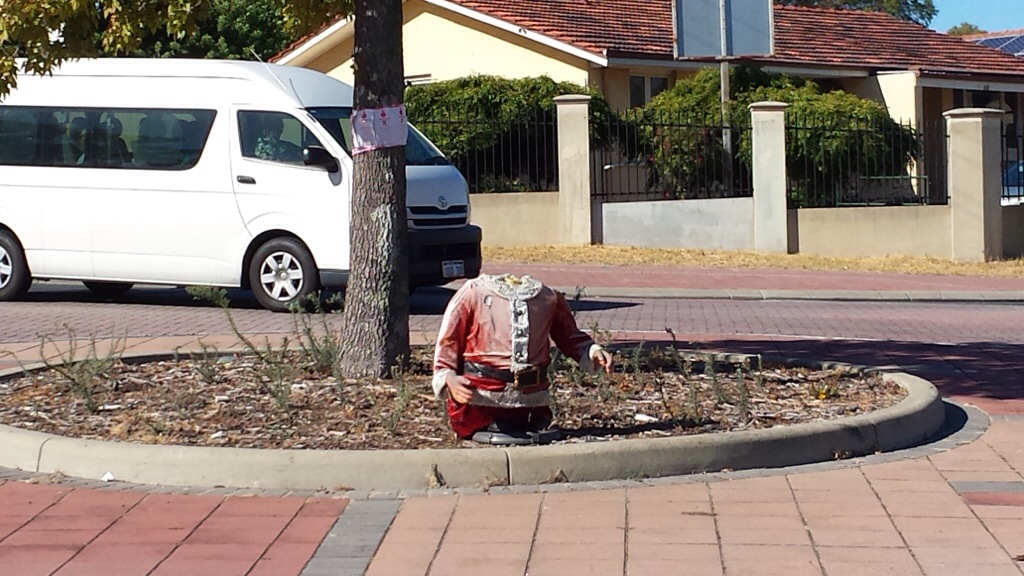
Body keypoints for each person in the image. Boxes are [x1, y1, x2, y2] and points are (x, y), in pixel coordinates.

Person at [432, 273, 613, 444]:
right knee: (478, 420)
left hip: (531, 402)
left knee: (534, 423)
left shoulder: (547, 297)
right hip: (479, 400)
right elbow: (449, 340)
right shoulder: (474, 292)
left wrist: (591, 351)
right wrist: (448, 377)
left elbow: (567, 334)